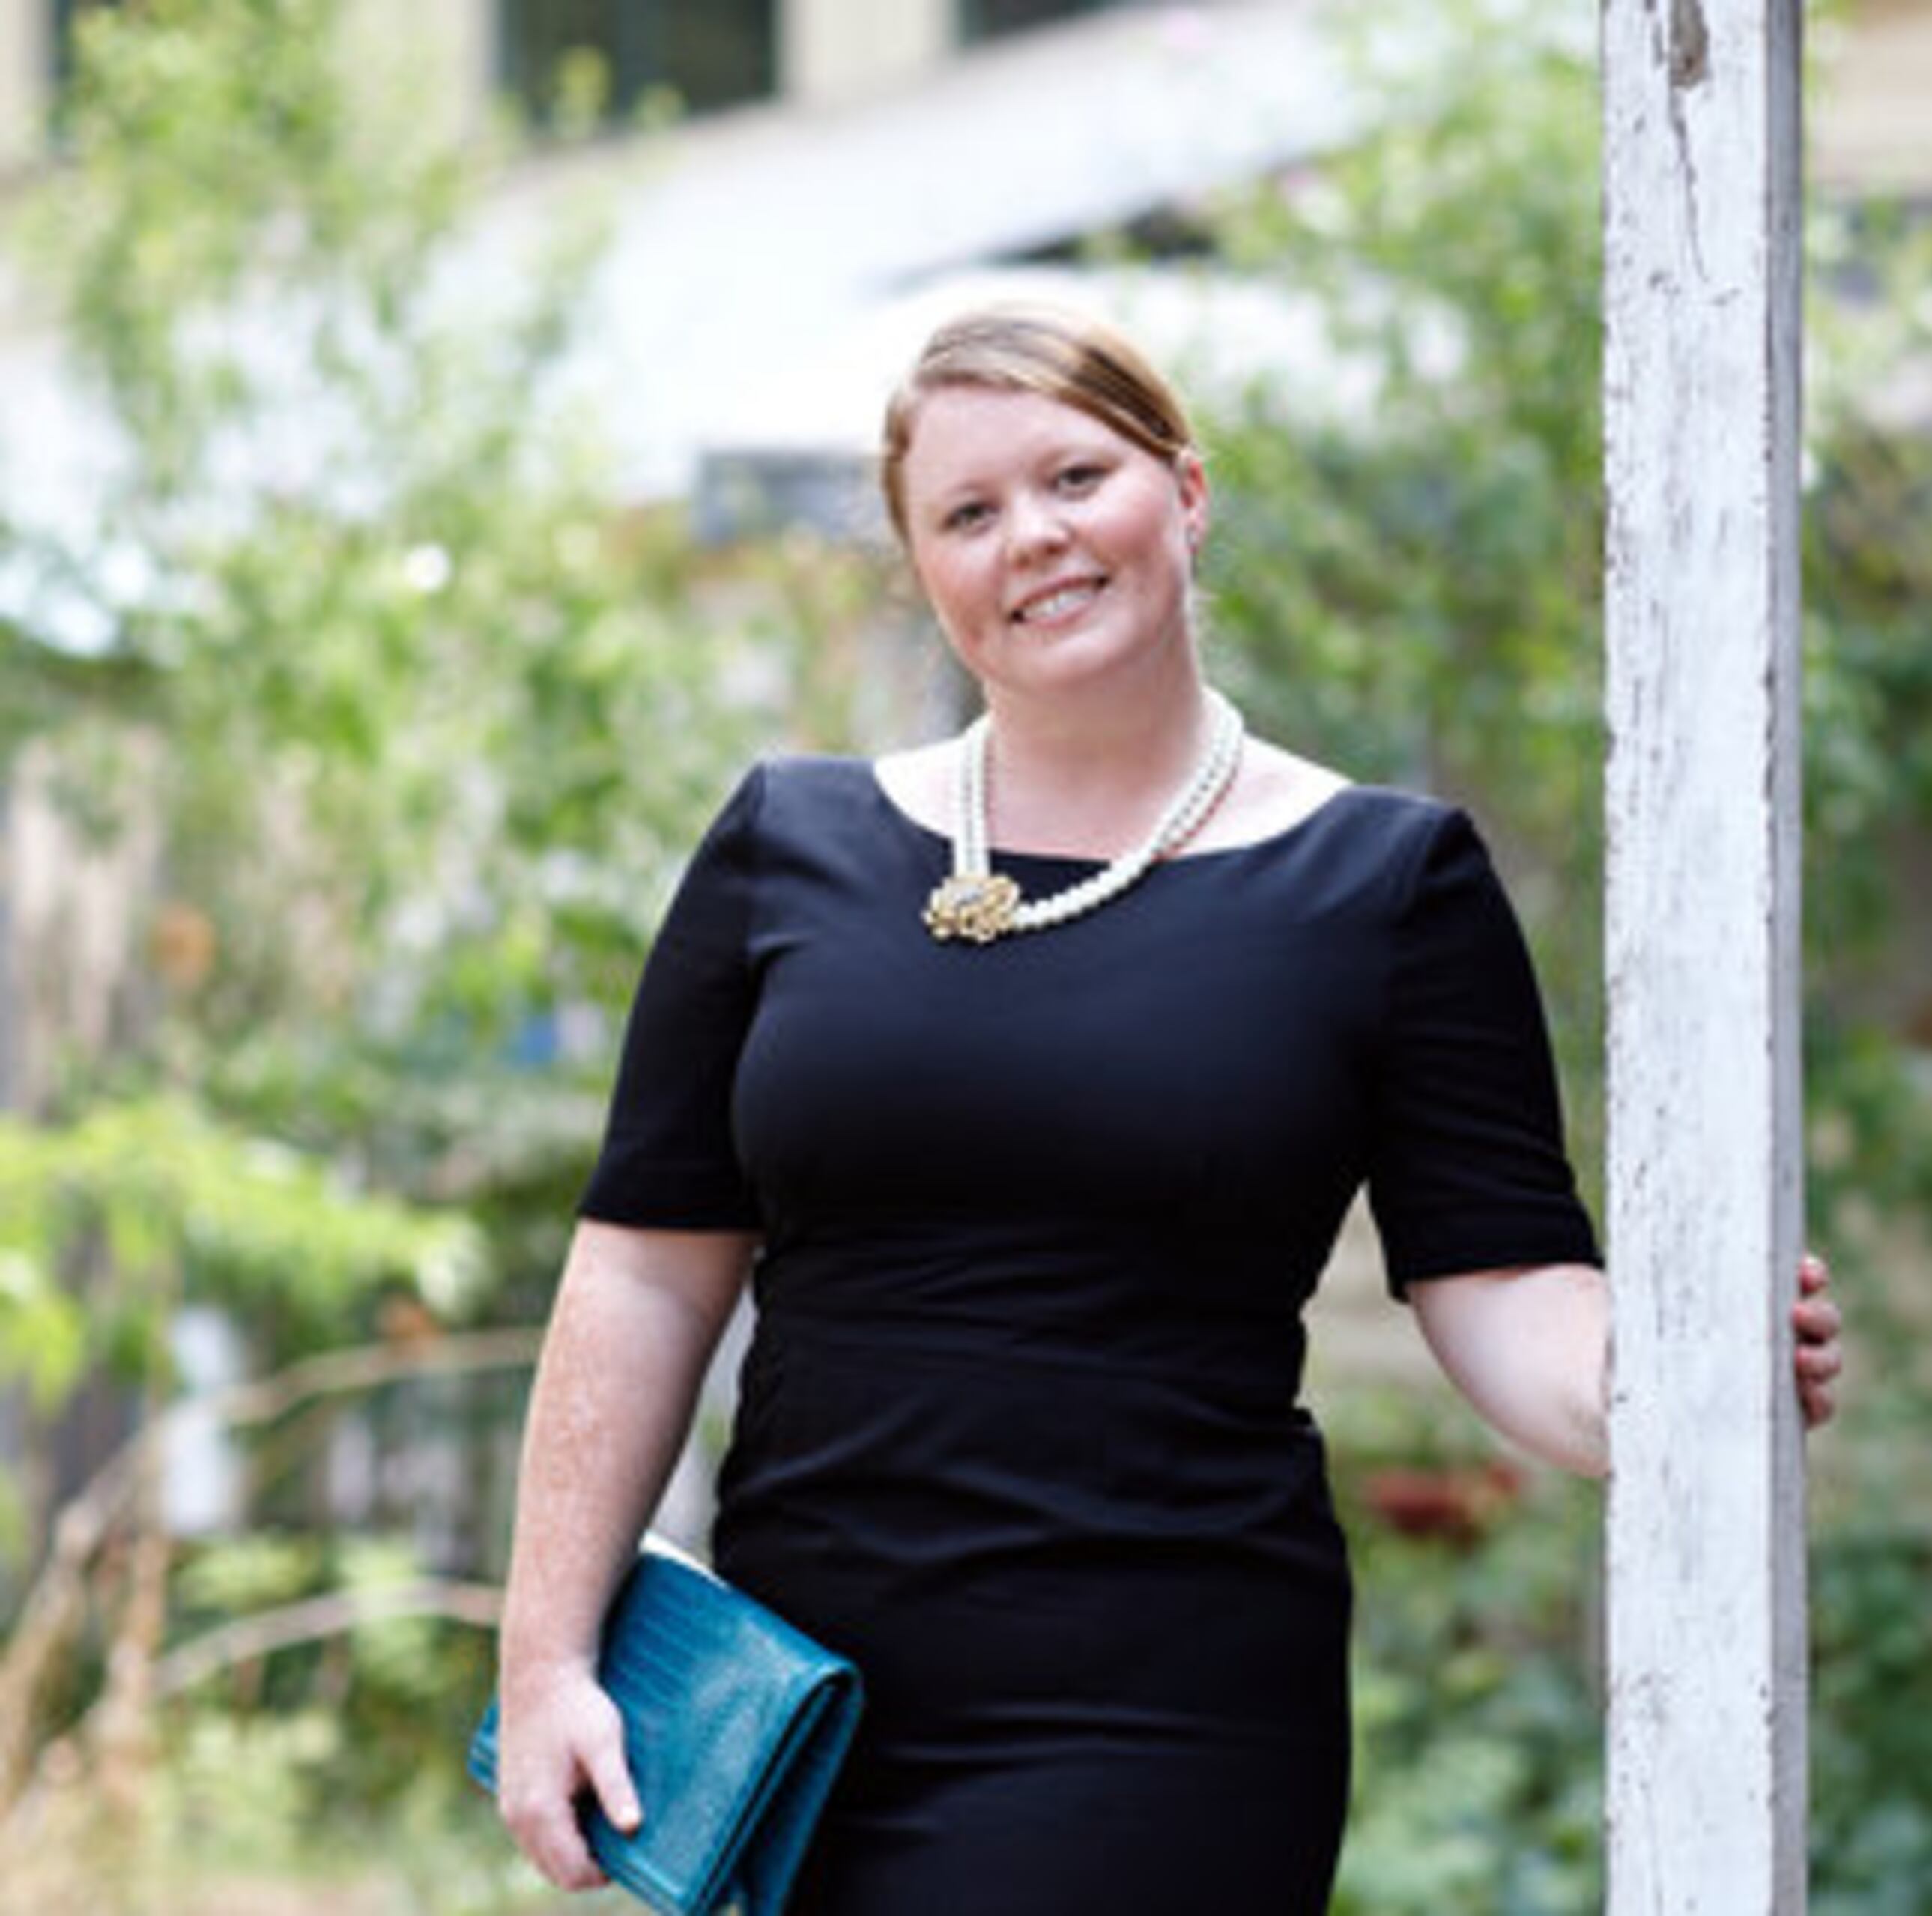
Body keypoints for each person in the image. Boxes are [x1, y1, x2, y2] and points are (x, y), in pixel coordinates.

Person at [488, 301, 1845, 1914]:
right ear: (923, 569)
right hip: (797, 1707)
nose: (1032, 536)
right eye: (969, 513)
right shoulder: (789, 843)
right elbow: (645, 1268)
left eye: (1077, 476)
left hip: (1158, 1711)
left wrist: (1676, 1372)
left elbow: (1496, 1280)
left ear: (1186, 492)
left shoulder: (1384, 884)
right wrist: (546, 1655)